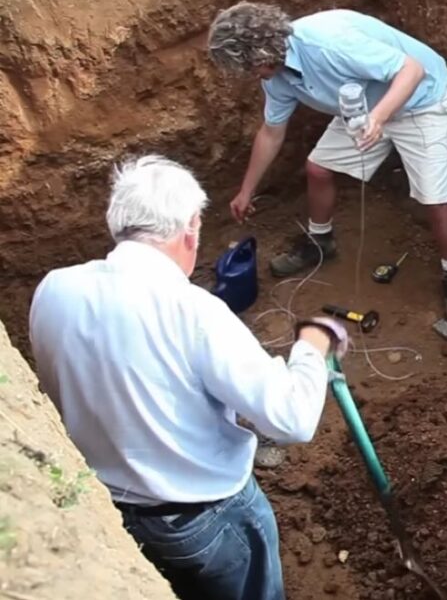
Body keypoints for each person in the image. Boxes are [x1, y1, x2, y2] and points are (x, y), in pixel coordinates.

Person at [28, 154, 350, 600]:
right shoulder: (193, 312)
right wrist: (312, 345)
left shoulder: (54, 289)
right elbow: (292, 418)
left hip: (108, 507)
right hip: (204, 519)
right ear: (190, 229)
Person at [206, 2, 447, 327]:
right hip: (364, 106)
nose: (252, 77)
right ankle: (320, 242)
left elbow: (412, 70)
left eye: (251, 68)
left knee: (434, 198)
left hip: (422, 100)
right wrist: (245, 191)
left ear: (263, 52)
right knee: (318, 169)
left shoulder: (328, 43)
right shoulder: (275, 76)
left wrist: (379, 118)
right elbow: (271, 133)